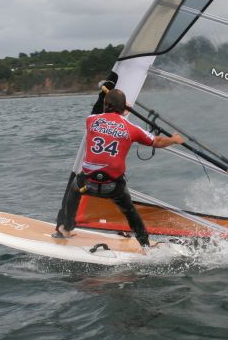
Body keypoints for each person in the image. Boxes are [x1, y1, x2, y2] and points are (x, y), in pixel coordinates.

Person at [54, 88, 184, 247]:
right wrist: (174, 139)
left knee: (73, 192)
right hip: (113, 187)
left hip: (87, 184)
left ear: (105, 104)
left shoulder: (91, 121)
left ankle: (66, 228)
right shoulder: (131, 128)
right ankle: (145, 245)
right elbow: (157, 141)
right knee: (130, 212)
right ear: (124, 109)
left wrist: (119, 109)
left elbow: (105, 117)